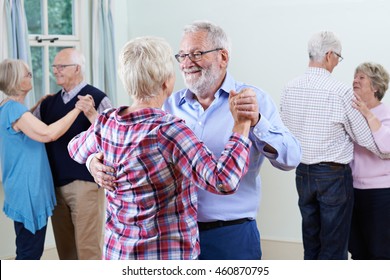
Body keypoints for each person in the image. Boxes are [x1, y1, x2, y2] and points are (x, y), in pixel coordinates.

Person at [89, 20, 302, 260]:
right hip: (170, 239)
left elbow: (291, 158)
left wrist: (258, 121)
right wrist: (94, 163)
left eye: (197, 54)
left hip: (229, 236)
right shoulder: (165, 106)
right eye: (182, 55)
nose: (186, 63)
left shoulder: (252, 100)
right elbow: (108, 144)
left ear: (223, 56)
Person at [67, 36, 252, 260]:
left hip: (118, 254)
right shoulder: (169, 131)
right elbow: (223, 180)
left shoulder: (106, 121)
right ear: (166, 82)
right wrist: (241, 126)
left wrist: (91, 161)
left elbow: (74, 149)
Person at [280, 31, 390, 260]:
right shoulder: (340, 92)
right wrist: (381, 150)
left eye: (363, 78)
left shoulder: (290, 87)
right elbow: (368, 141)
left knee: (311, 239)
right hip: (332, 176)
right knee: (335, 244)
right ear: (329, 55)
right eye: (338, 57)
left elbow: (285, 130)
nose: (338, 63)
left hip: (303, 173)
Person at [32, 48, 112, 260]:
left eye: (60, 66)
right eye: (54, 67)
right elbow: (28, 129)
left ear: (77, 68)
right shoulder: (48, 103)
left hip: (84, 185)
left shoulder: (97, 97)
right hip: (55, 185)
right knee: (65, 252)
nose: (55, 71)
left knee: (87, 250)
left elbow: (112, 137)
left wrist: (92, 114)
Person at [0, 59, 84, 259]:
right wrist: (77, 109)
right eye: (27, 74)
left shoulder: (7, 107)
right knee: (30, 253)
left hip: (20, 186)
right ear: (15, 81)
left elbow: (22, 128)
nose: (31, 76)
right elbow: (48, 134)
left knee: (26, 247)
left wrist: (38, 104)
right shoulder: (15, 110)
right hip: (28, 190)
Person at [348, 62, 390, 260]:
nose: (355, 80)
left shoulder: (386, 113)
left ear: (375, 87)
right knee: (357, 250)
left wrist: (366, 112)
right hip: (353, 190)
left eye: (361, 77)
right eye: (355, 77)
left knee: (379, 252)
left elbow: (387, 147)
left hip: (380, 193)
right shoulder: (351, 112)